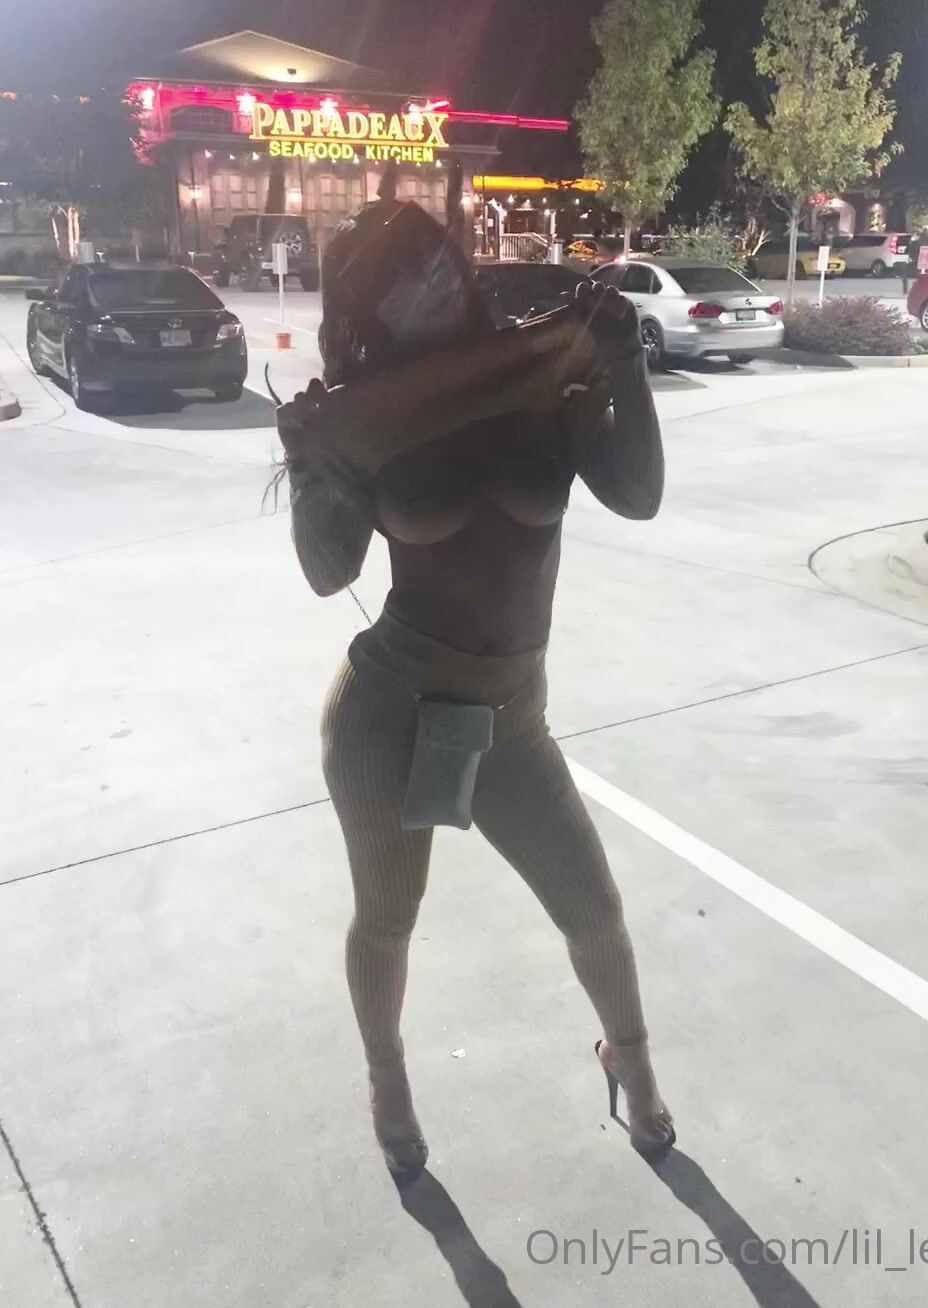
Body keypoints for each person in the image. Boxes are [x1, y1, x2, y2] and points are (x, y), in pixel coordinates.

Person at [276, 198, 671, 1184]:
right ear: (366, 310)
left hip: (511, 721)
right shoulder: (371, 412)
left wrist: (623, 363)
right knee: (387, 918)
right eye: (397, 280)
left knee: (593, 909)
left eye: (435, 258)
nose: (431, 282)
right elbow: (328, 574)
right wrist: (311, 467)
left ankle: (628, 1060)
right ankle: (387, 1078)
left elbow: (636, 496)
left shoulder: (537, 373)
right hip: (388, 716)